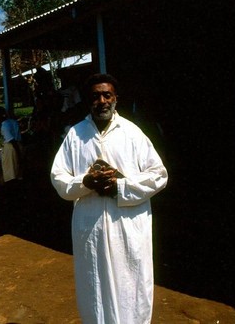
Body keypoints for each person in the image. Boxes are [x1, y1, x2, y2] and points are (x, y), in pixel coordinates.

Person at [50, 73, 168, 323]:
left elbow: (158, 175)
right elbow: (59, 177)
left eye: (107, 95)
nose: (102, 101)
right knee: (94, 287)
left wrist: (120, 186)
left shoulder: (132, 133)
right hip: (90, 228)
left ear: (116, 98)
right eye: (95, 96)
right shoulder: (75, 135)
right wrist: (85, 182)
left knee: (131, 284)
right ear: (88, 101)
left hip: (127, 226)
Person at [0, 106, 23, 184]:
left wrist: (18, 154)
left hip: (11, 148)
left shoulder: (4, 125)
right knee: (17, 170)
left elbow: (11, 140)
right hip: (18, 145)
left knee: (11, 173)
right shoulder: (13, 121)